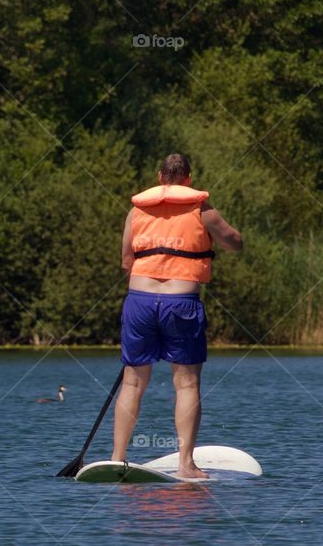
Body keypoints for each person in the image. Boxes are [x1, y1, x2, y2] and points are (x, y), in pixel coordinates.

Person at [112, 153, 242, 478]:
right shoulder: (202, 209)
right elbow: (235, 243)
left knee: (133, 381)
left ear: (160, 177)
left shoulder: (136, 211)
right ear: (188, 179)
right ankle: (186, 464)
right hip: (180, 303)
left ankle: (117, 457)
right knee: (186, 384)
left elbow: (126, 261)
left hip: (139, 302)